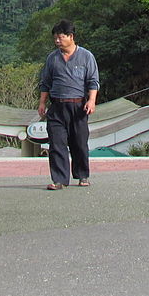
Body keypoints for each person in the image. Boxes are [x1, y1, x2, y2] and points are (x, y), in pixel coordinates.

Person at [37, 19, 99, 190]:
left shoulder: (86, 56)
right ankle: (59, 180)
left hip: (78, 106)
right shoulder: (52, 58)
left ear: (71, 37)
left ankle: (82, 175)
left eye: (60, 37)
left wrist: (91, 100)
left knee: (79, 142)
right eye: (55, 38)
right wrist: (42, 102)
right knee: (56, 143)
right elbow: (45, 82)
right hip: (57, 106)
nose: (57, 41)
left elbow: (93, 81)